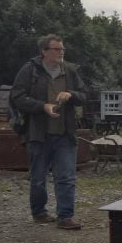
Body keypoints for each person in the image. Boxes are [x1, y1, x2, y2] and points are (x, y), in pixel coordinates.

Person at [10, 34, 88, 230]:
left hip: (65, 133)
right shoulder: (30, 71)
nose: (61, 52)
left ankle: (65, 216)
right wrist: (42, 106)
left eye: (63, 49)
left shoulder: (70, 71)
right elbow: (17, 97)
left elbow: (84, 95)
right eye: (57, 49)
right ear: (44, 51)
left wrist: (71, 95)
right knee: (38, 178)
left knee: (66, 177)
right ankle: (39, 212)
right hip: (38, 133)